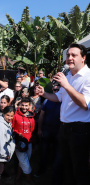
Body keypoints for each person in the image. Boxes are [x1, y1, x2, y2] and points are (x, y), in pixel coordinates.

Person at [36, 43, 90, 185]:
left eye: (74, 55)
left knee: (80, 171)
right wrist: (44, 94)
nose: (69, 58)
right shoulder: (69, 76)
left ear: (83, 58)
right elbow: (59, 97)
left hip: (80, 130)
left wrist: (66, 85)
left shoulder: (88, 77)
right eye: (68, 55)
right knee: (67, 168)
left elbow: (85, 104)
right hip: (64, 128)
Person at [35, 85, 62, 184]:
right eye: (54, 89)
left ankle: (54, 173)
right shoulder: (47, 101)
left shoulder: (63, 101)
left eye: (58, 90)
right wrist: (39, 129)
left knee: (56, 153)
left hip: (59, 132)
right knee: (43, 151)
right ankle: (41, 170)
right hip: (46, 130)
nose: (56, 91)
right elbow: (41, 115)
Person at [12, 97, 35, 184]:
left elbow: (32, 130)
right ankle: (30, 179)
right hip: (19, 143)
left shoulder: (32, 117)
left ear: (29, 106)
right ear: (20, 105)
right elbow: (12, 127)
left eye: (26, 105)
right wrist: (18, 133)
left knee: (24, 161)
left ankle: (18, 177)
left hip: (28, 142)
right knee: (25, 162)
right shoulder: (15, 115)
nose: (24, 107)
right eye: (23, 105)